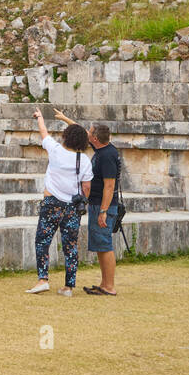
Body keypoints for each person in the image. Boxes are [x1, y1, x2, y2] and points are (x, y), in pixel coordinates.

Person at [25, 107, 93, 297]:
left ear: (65, 137)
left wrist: (39, 117)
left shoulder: (55, 150)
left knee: (42, 241)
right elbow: (86, 187)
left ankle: (43, 279)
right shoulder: (84, 160)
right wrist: (83, 201)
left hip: (52, 203)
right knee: (70, 246)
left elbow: (43, 132)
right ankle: (69, 286)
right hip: (72, 207)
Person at [55, 109, 121, 296]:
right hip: (98, 204)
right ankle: (104, 284)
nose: (87, 134)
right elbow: (81, 132)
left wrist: (103, 211)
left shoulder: (107, 156)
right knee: (101, 245)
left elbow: (109, 186)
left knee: (105, 245)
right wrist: (65, 118)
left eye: (90, 133)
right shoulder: (102, 148)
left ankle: (109, 286)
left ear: (95, 139)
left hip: (103, 205)